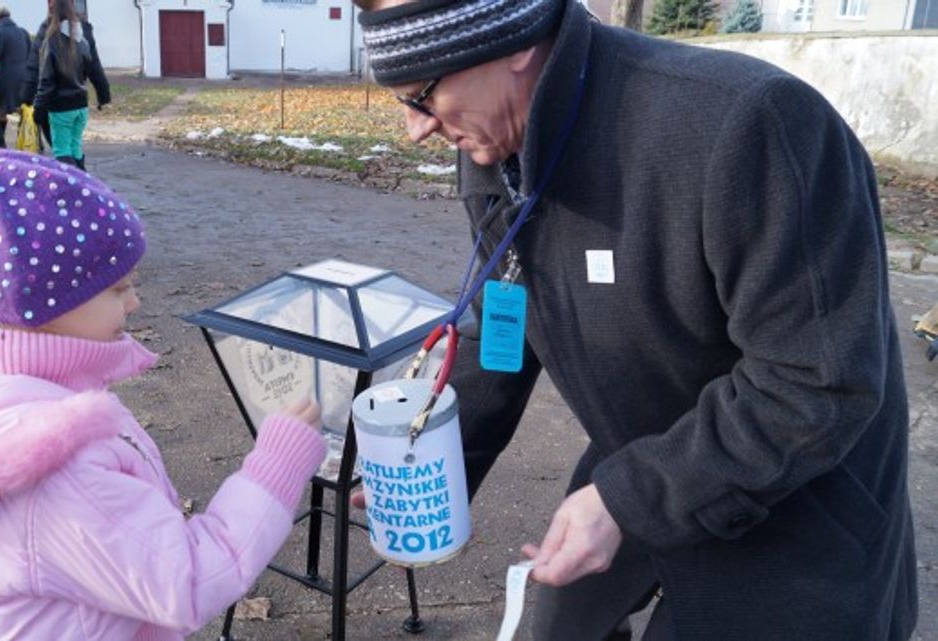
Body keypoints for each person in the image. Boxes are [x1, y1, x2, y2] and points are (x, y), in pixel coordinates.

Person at [353, 0, 918, 639]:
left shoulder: (749, 123)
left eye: (422, 97)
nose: (414, 130)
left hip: (797, 507)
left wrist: (629, 499)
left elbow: (820, 383)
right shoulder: (493, 144)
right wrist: (438, 445)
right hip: (640, 457)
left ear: (511, 43)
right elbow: (505, 310)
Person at [0, 147, 327, 639]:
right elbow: (189, 580)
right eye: (119, 289)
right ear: (42, 305)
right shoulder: (55, 467)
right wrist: (275, 466)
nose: (135, 302)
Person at [21, 0, 106, 155]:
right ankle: (80, 178)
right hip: (81, 104)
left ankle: (69, 179)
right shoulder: (82, 33)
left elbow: (40, 73)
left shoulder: (49, 36)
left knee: (61, 151)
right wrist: (103, 94)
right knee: (75, 149)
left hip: (60, 105)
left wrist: (32, 103)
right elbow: (93, 65)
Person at [0, 5, 30, 146]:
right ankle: (29, 140)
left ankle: (0, 142)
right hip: (24, 75)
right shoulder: (22, 31)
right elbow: (30, 53)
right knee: (23, 109)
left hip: (7, 76)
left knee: (2, 110)